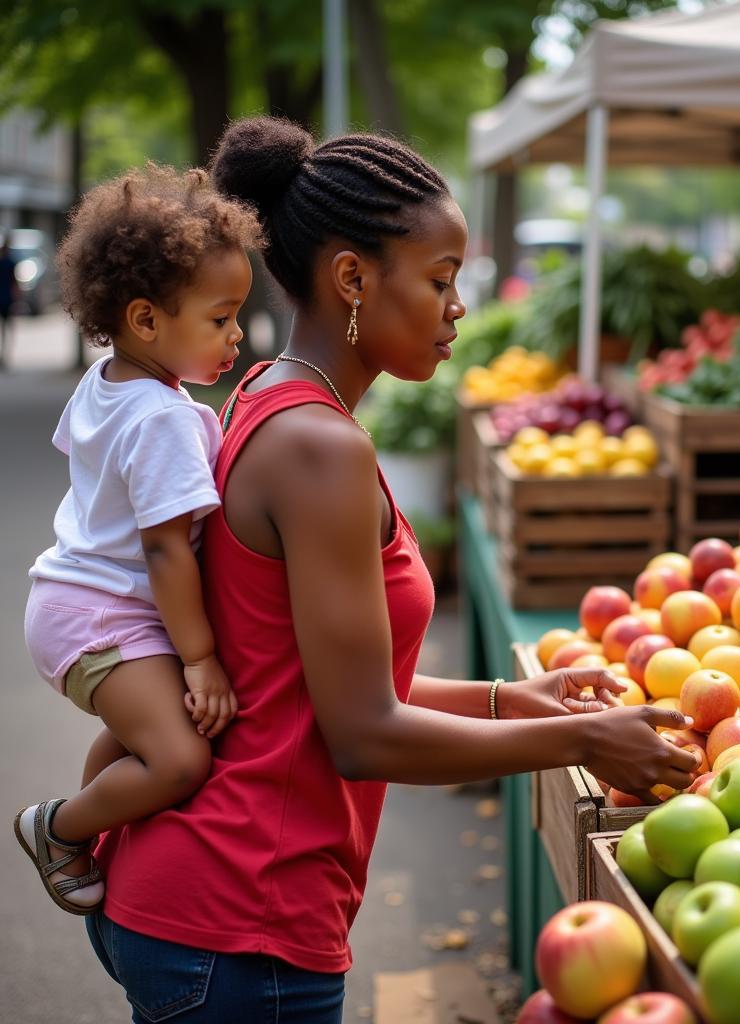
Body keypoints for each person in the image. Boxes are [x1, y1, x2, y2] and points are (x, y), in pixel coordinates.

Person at [84, 118, 699, 1023]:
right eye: (442, 281)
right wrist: (581, 742)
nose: (458, 307)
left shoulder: (267, 393)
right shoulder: (318, 448)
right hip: (240, 927)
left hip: (202, 909)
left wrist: (513, 697)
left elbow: (309, 681)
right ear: (352, 279)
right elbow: (363, 733)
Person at [15, 166, 261, 917]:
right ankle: (55, 827)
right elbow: (165, 549)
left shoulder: (111, 380)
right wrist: (201, 657)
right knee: (182, 758)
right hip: (101, 621)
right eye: (220, 319)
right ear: (147, 321)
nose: (238, 334)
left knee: (141, 743)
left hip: (73, 601)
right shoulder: (163, 419)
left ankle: (91, 819)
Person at [0, 237, 18, 367]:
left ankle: (3, 355)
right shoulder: (11, 262)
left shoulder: (9, 263)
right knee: (6, 329)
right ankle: (5, 354)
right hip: (6, 299)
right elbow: (15, 284)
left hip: (5, 299)